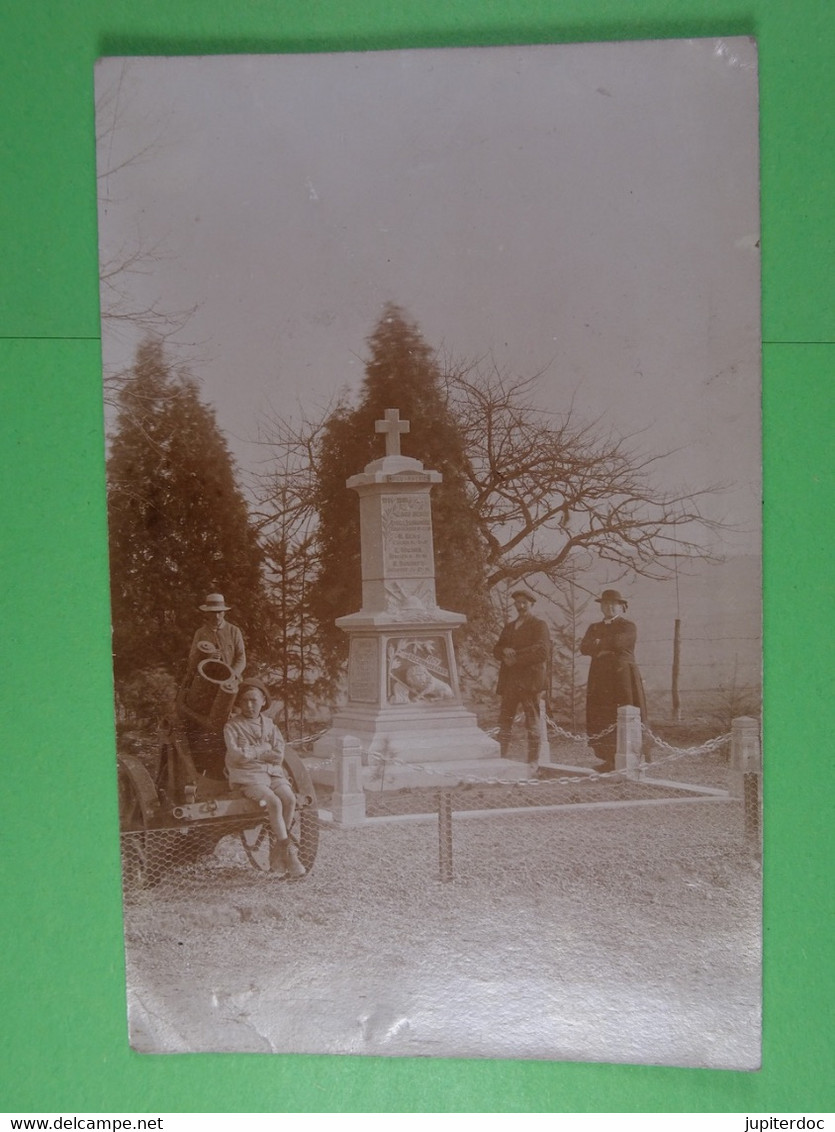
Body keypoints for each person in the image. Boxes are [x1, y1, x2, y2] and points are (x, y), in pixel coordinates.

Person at [223, 678, 305, 878]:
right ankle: (289, 853)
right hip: (249, 777)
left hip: (273, 772)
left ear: (263, 702)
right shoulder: (232, 727)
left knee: (290, 798)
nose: (249, 705)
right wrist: (263, 748)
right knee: (274, 802)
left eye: (254, 700)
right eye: (244, 701)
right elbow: (237, 756)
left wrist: (252, 751)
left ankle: (279, 851)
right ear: (239, 703)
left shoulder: (269, 725)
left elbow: (278, 754)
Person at [579, 588, 647, 772]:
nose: (608, 607)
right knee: (601, 716)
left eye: (613, 604)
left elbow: (619, 643)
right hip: (600, 679)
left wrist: (599, 644)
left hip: (621, 678)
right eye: (605, 604)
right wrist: (603, 646)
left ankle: (631, 757)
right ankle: (608, 759)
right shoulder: (594, 627)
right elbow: (584, 647)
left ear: (622, 607)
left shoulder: (628, 626)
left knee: (624, 713)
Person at [493, 587, 551, 764]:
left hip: (530, 681)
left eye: (524, 602)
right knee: (505, 720)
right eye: (517, 603)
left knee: (532, 721)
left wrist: (515, 659)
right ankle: (500, 758)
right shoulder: (509, 627)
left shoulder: (539, 625)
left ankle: (533, 762)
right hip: (510, 680)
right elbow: (496, 650)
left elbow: (542, 652)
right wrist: (504, 650)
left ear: (531, 604)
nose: (521, 606)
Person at [187, 593, 246, 680]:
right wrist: (208, 658)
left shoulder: (234, 631)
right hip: (206, 680)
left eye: (219, 612)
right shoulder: (200, 633)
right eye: (213, 612)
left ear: (224, 612)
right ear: (207, 613)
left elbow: (241, 657)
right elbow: (192, 660)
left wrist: (233, 674)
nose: (217, 616)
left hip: (230, 681)